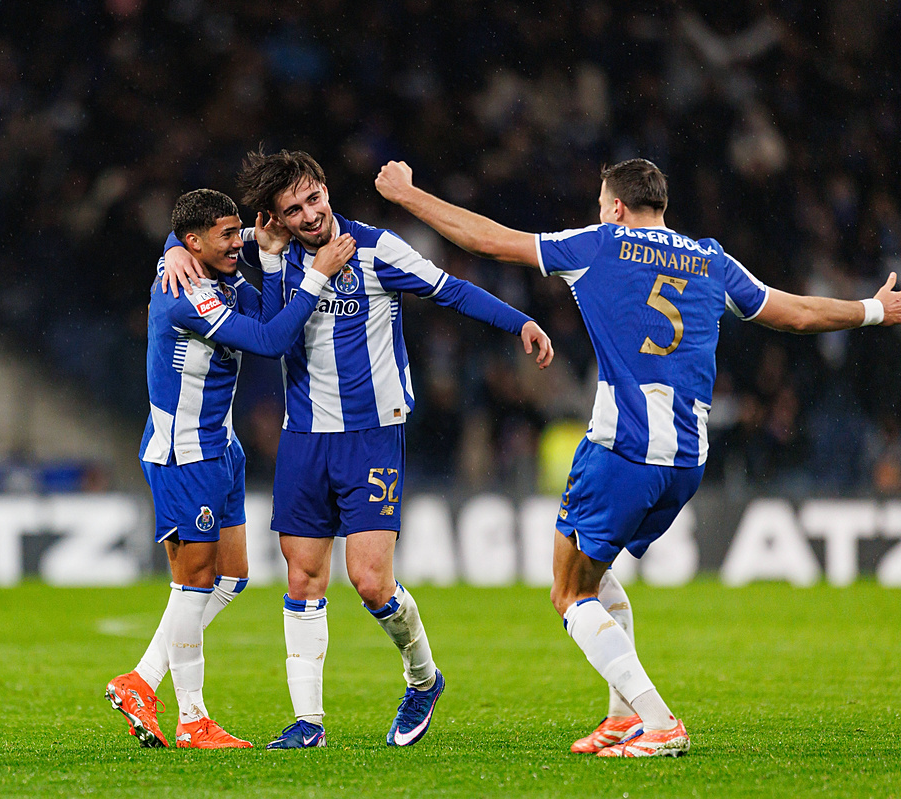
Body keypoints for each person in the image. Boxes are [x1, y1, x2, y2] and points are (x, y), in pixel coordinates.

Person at [375, 157, 901, 757]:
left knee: (569, 594)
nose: (602, 213)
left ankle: (658, 721)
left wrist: (410, 196)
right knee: (594, 578)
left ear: (617, 207)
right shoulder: (710, 257)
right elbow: (796, 313)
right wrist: (875, 309)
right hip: (686, 459)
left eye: (603, 204)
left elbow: (490, 241)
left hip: (623, 448)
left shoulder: (600, 245)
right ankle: (622, 716)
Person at [161, 149, 553, 748]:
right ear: (276, 218)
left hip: (373, 432)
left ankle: (423, 678)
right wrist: (177, 247)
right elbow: (254, 307)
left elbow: (451, 291)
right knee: (302, 577)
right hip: (304, 435)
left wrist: (519, 321)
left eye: (314, 198)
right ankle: (308, 724)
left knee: (370, 581)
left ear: (325, 190)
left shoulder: (375, 248)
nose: (310, 214)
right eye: (293, 209)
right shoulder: (275, 259)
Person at [106, 188, 354, 749]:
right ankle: (192, 719)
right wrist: (315, 276)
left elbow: (261, 307)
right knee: (192, 584)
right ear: (196, 242)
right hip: (185, 454)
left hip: (222, 446)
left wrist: (243, 249)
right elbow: (269, 339)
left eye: (239, 229)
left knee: (231, 577)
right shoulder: (185, 292)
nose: (238, 240)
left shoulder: (209, 264)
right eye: (228, 233)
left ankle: (141, 680)